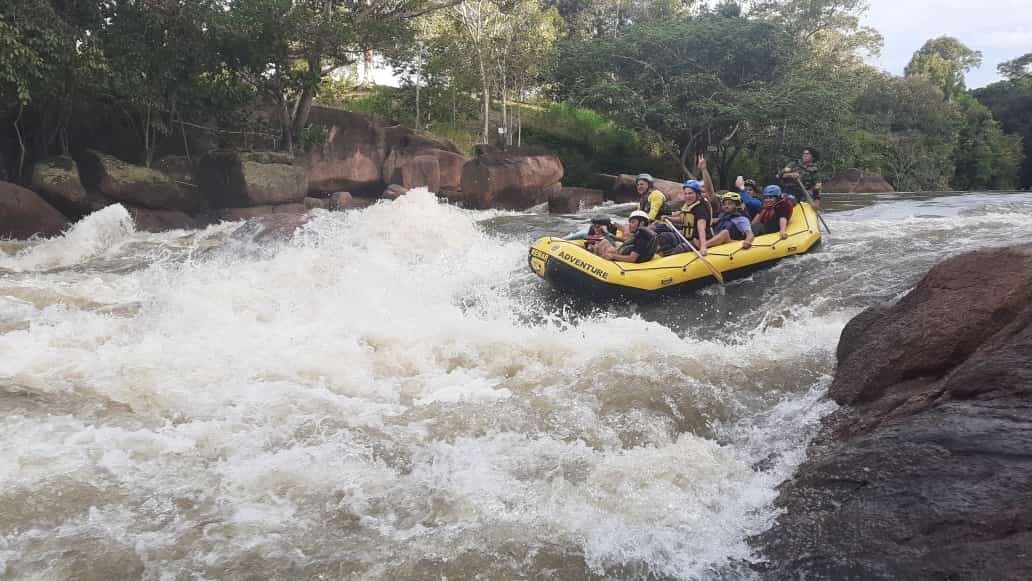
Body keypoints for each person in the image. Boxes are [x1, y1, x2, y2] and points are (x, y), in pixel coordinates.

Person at [666, 179, 713, 255]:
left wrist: (703, 247)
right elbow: (683, 219)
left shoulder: (700, 208)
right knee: (664, 236)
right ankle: (664, 257)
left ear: (697, 194)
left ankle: (671, 259)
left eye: (690, 193)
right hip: (686, 237)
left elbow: (701, 228)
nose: (687, 196)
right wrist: (669, 218)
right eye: (686, 194)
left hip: (698, 240)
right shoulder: (688, 205)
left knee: (680, 248)